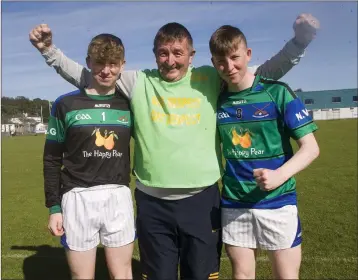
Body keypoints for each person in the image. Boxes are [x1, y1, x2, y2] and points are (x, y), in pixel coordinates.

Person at [30, 14, 319, 280]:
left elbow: (263, 72)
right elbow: (89, 76)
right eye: (163, 53)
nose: (170, 61)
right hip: (152, 204)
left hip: (201, 201)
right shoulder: (137, 81)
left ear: (191, 56)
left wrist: (299, 42)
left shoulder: (209, 78)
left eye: (178, 53)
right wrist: (49, 52)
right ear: (155, 55)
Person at [210, 25, 320, 279]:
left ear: (247, 54)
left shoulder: (277, 92)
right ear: (213, 63)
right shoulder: (216, 99)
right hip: (234, 203)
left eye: (235, 57)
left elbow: (311, 147)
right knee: (242, 275)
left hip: (278, 203)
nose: (229, 66)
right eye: (220, 61)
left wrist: (279, 176)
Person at [42, 33, 135, 279]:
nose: (106, 70)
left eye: (113, 64)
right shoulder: (65, 104)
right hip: (77, 197)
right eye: (99, 63)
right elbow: (51, 159)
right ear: (88, 62)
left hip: (118, 196)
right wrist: (53, 206)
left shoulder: (129, 104)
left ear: (122, 66)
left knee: (123, 275)